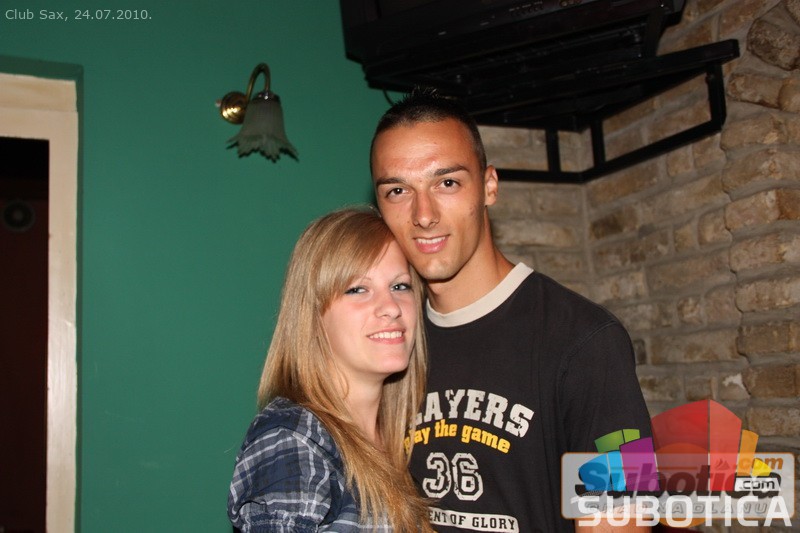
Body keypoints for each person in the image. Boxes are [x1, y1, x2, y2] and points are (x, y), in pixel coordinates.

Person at [370, 88, 652, 532]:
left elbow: (627, 510)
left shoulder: (589, 340)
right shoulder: (388, 340)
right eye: (398, 190)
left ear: (489, 187)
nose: (423, 214)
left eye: (447, 183)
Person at [228, 209, 433, 532]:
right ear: (312, 315)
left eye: (400, 286)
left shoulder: (402, 441)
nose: (391, 308)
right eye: (358, 289)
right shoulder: (294, 442)